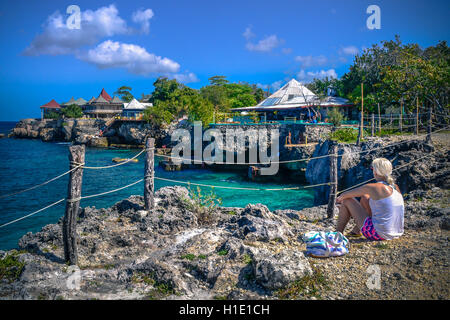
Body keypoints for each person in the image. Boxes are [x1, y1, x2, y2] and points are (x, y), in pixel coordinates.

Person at [335, 158, 404, 241]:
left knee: (347, 200)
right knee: (365, 197)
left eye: (372, 168)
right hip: (397, 233)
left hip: (378, 234)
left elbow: (345, 195)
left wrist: (339, 200)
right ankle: (356, 230)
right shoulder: (395, 187)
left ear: (375, 171)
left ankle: (337, 234)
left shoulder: (373, 187)